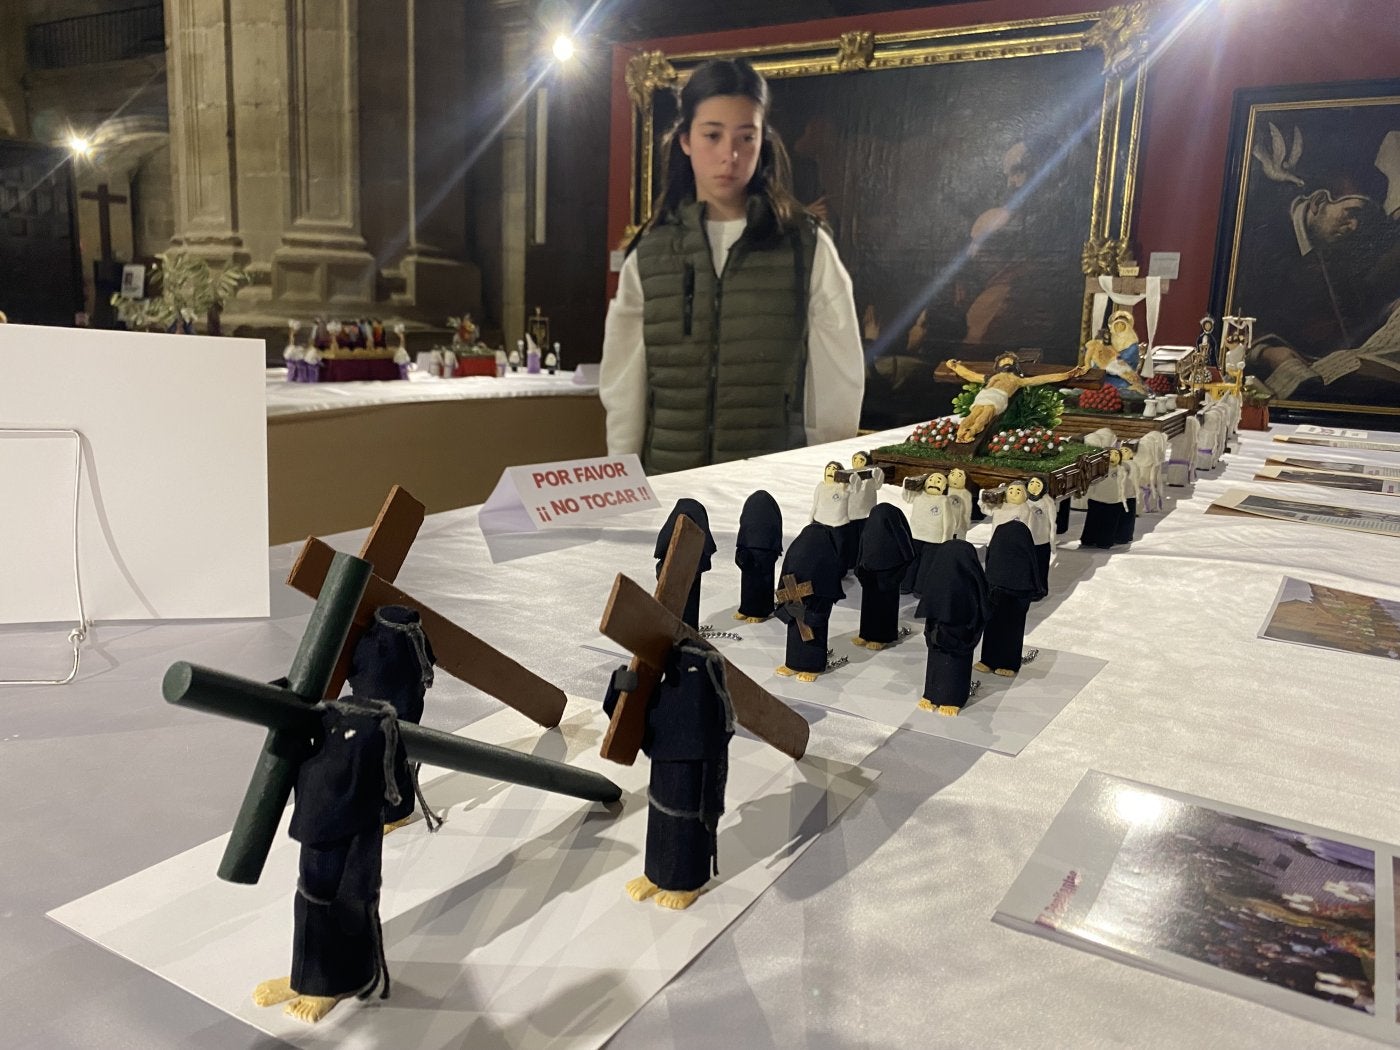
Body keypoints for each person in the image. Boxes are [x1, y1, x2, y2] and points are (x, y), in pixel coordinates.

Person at [600, 58, 864, 474]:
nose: (730, 154)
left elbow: (837, 372)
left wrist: (825, 472)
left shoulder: (804, 246)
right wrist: (624, 475)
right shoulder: (652, 252)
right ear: (685, 139)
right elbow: (624, 382)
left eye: (746, 136)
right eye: (713, 135)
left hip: (770, 486)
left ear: (763, 141)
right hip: (669, 481)